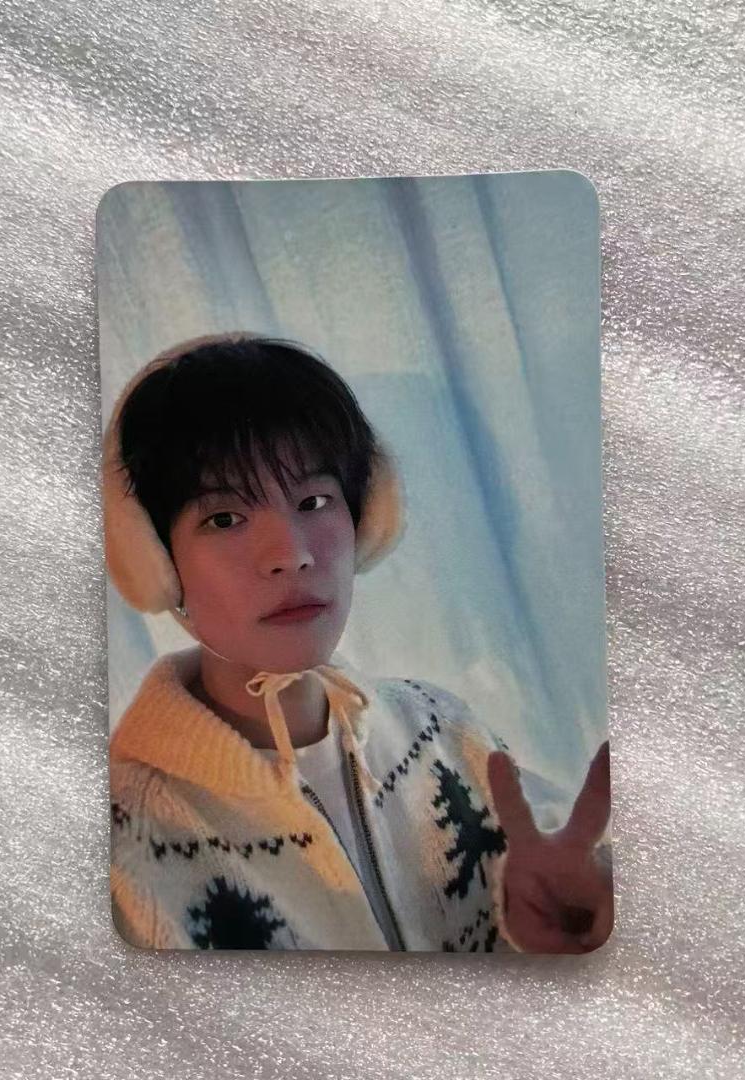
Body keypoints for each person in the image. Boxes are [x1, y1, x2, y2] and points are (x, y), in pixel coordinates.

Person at [103, 331, 613, 952]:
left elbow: (572, 889)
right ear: (153, 563)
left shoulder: (440, 728)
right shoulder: (120, 839)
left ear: (366, 519)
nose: (291, 554)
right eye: (225, 518)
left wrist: (575, 939)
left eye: (315, 500)